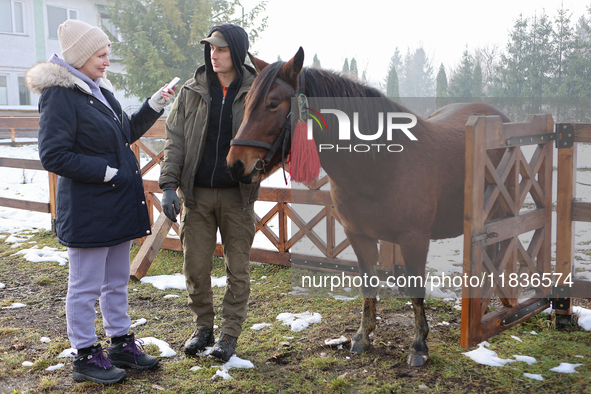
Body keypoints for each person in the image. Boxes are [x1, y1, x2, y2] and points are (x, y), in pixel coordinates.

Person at [25, 19, 176, 385]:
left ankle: (121, 343)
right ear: (79, 56)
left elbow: (124, 131)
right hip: (89, 210)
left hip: (117, 206)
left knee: (115, 281)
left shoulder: (98, 90)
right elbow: (54, 155)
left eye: (107, 54)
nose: (108, 62)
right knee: (85, 286)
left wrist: (155, 103)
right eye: (101, 55)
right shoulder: (60, 95)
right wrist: (107, 172)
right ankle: (85, 354)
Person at [158, 24, 259, 362]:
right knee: (195, 267)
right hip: (197, 195)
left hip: (237, 197)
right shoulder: (192, 90)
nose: (214, 54)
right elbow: (175, 141)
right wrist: (169, 185)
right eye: (211, 48)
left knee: (238, 269)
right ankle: (204, 328)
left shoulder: (255, 91)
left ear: (237, 51)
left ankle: (229, 335)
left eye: (221, 49)